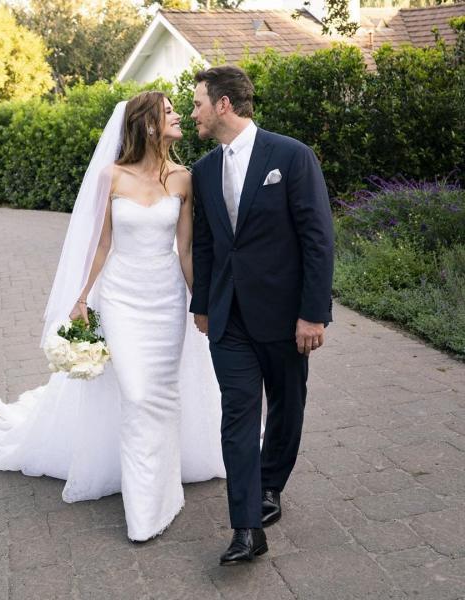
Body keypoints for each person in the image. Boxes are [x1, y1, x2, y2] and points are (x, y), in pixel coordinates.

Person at [0, 92, 225, 543]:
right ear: (148, 124)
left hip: (166, 300)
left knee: (162, 394)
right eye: (169, 111)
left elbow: (186, 250)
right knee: (136, 393)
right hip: (120, 297)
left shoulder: (184, 179)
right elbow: (101, 244)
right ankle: (145, 511)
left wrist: (203, 303)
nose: (179, 115)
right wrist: (80, 297)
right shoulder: (110, 176)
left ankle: (163, 491)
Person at [190, 66, 334, 565]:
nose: (193, 113)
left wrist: (312, 314)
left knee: (287, 406)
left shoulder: (291, 156)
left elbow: (318, 239)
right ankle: (247, 527)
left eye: (198, 103)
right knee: (238, 414)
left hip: (285, 316)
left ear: (223, 104)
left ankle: (271, 484)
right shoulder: (203, 170)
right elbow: (206, 244)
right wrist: (203, 304)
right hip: (228, 318)